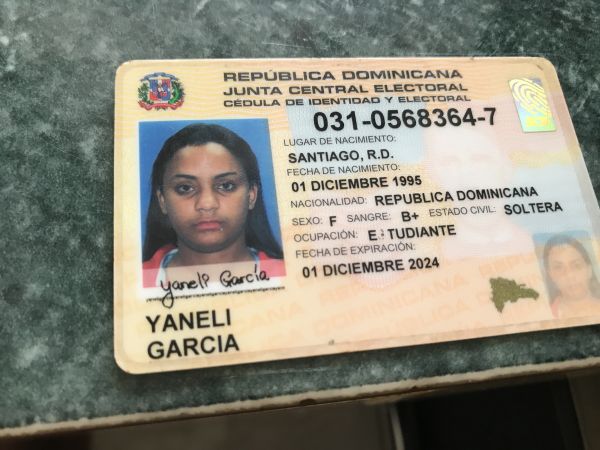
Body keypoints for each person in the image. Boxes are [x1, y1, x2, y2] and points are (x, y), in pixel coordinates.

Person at [142, 123, 284, 287]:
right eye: (185, 188)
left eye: (226, 186)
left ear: (251, 195)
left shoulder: (293, 276)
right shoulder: (132, 282)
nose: (207, 204)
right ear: (162, 200)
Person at [543, 235, 600, 318]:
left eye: (576, 265)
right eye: (558, 268)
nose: (569, 275)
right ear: (551, 275)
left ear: (589, 270)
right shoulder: (543, 315)